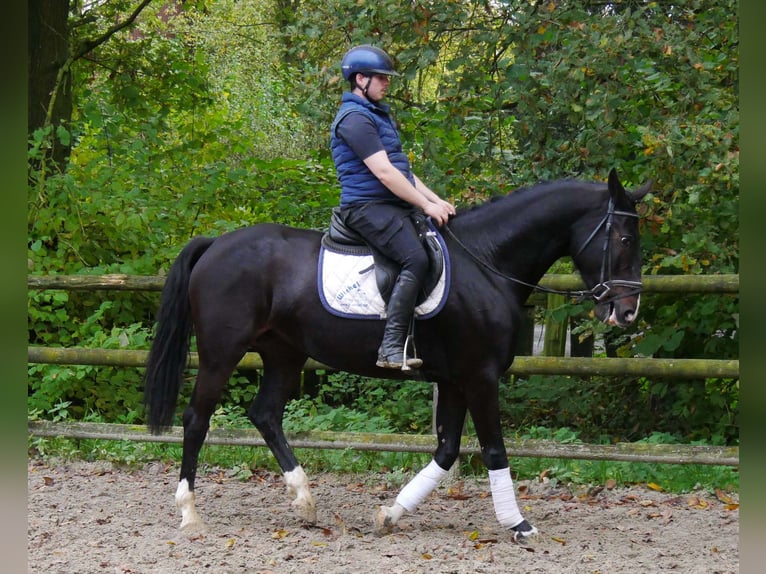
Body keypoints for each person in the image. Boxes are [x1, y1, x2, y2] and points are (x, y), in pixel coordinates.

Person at [330, 45, 456, 370]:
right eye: (381, 78)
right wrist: (425, 203)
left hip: (389, 205)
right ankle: (390, 347)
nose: (387, 84)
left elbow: (404, 173)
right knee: (415, 258)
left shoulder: (376, 115)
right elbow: (385, 173)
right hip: (366, 206)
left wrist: (435, 199)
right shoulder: (354, 118)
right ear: (360, 79)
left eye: (387, 78)